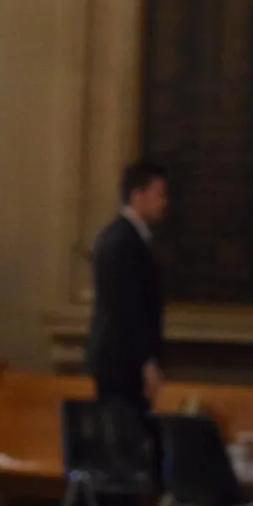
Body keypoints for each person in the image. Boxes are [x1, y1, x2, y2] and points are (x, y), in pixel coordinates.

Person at [87, 160, 169, 412]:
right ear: (137, 195)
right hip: (123, 364)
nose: (164, 203)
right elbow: (127, 307)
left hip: (123, 361)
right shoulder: (123, 242)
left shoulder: (122, 237)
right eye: (159, 194)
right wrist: (145, 361)